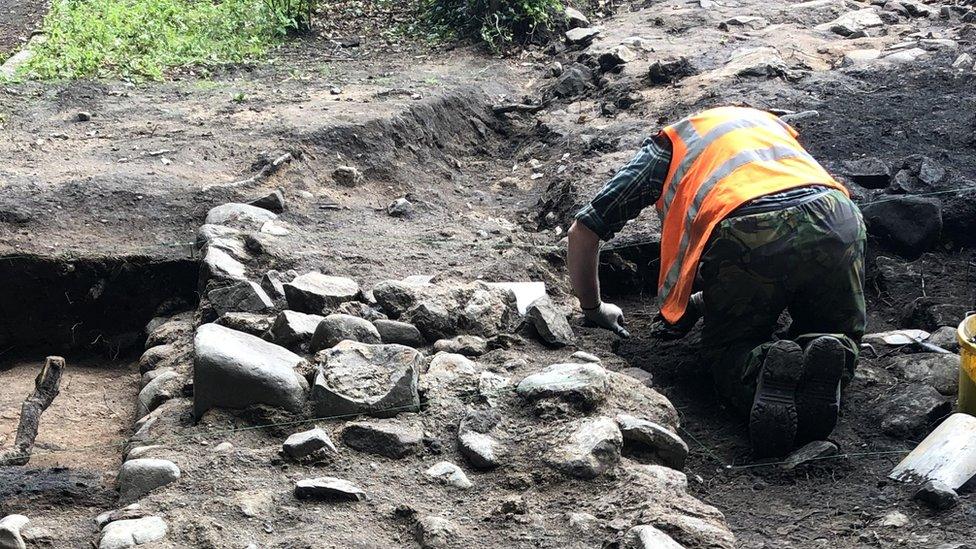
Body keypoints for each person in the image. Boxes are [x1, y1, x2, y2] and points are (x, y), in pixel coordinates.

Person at [567, 106, 866, 458]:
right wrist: (697, 303)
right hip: (838, 216)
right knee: (834, 326)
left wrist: (593, 307)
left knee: (731, 346)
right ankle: (830, 354)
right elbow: (794, 217)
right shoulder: (767, 126)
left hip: (748, 226)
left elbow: (583, 231)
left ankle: (760, 370)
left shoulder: (668, 147)